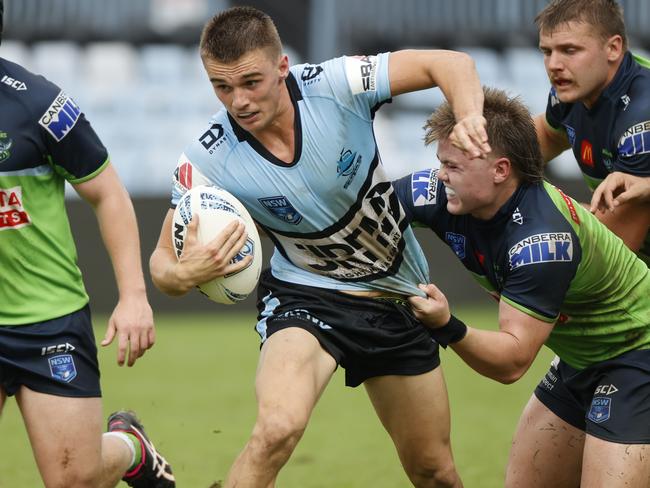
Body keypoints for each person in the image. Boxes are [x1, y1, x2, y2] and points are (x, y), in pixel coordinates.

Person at [150, 6, 490, 487]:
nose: (238, 101)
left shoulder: (337, 85)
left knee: (434, 472)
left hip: (399, 297)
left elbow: (453, 64)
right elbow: (162, 263)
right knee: (276, 429)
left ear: (282, 66)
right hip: (307, 297)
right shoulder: (209, 157)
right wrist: (181, 276)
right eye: (221, 87)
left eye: (251, 82)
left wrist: (470, 116)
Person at [392, 87, 650, 488]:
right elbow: (363, 213)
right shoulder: (442, 192)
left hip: (640, 355)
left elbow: (512, 362)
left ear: (500, 170)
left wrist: (447, 325)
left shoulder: (541, 242)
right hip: (579, 359)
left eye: (453, 166)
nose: (440, 174)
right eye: (440, 162)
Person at [0, 2, 174, 486]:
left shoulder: (40, 105)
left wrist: (134, 296)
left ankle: (132, 449)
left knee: (74, 479)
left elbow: (109, 193)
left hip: (46, 319)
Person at [533, 0, 650, 264]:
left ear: (613, 48)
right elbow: (548, 135)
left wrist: (567, 216)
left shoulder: (641, 121)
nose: (554, 64)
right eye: (547, 52)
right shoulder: (569, 94)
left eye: (569, 50)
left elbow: (612, 252)